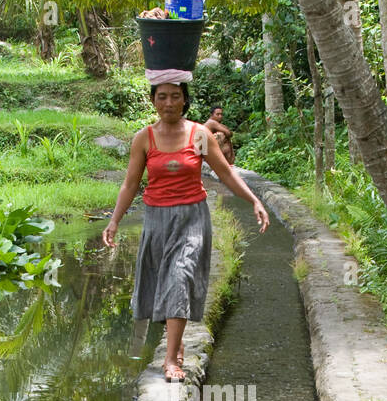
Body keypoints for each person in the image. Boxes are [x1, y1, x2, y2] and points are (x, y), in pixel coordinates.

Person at [102, 81, 268, 381]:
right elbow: (130, 184)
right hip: (156, 219)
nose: (168, 103)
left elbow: (226, 173)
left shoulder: (200, 135)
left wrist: (254, 199)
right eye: (162, 96)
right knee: (162, 281)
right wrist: (114, 220)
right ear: (153, 101)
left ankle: (170, 361)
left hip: (192, 217)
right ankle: (175, 345)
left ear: (184, 100)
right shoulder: (144, 139)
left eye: (175, 96)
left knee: (180, 277)